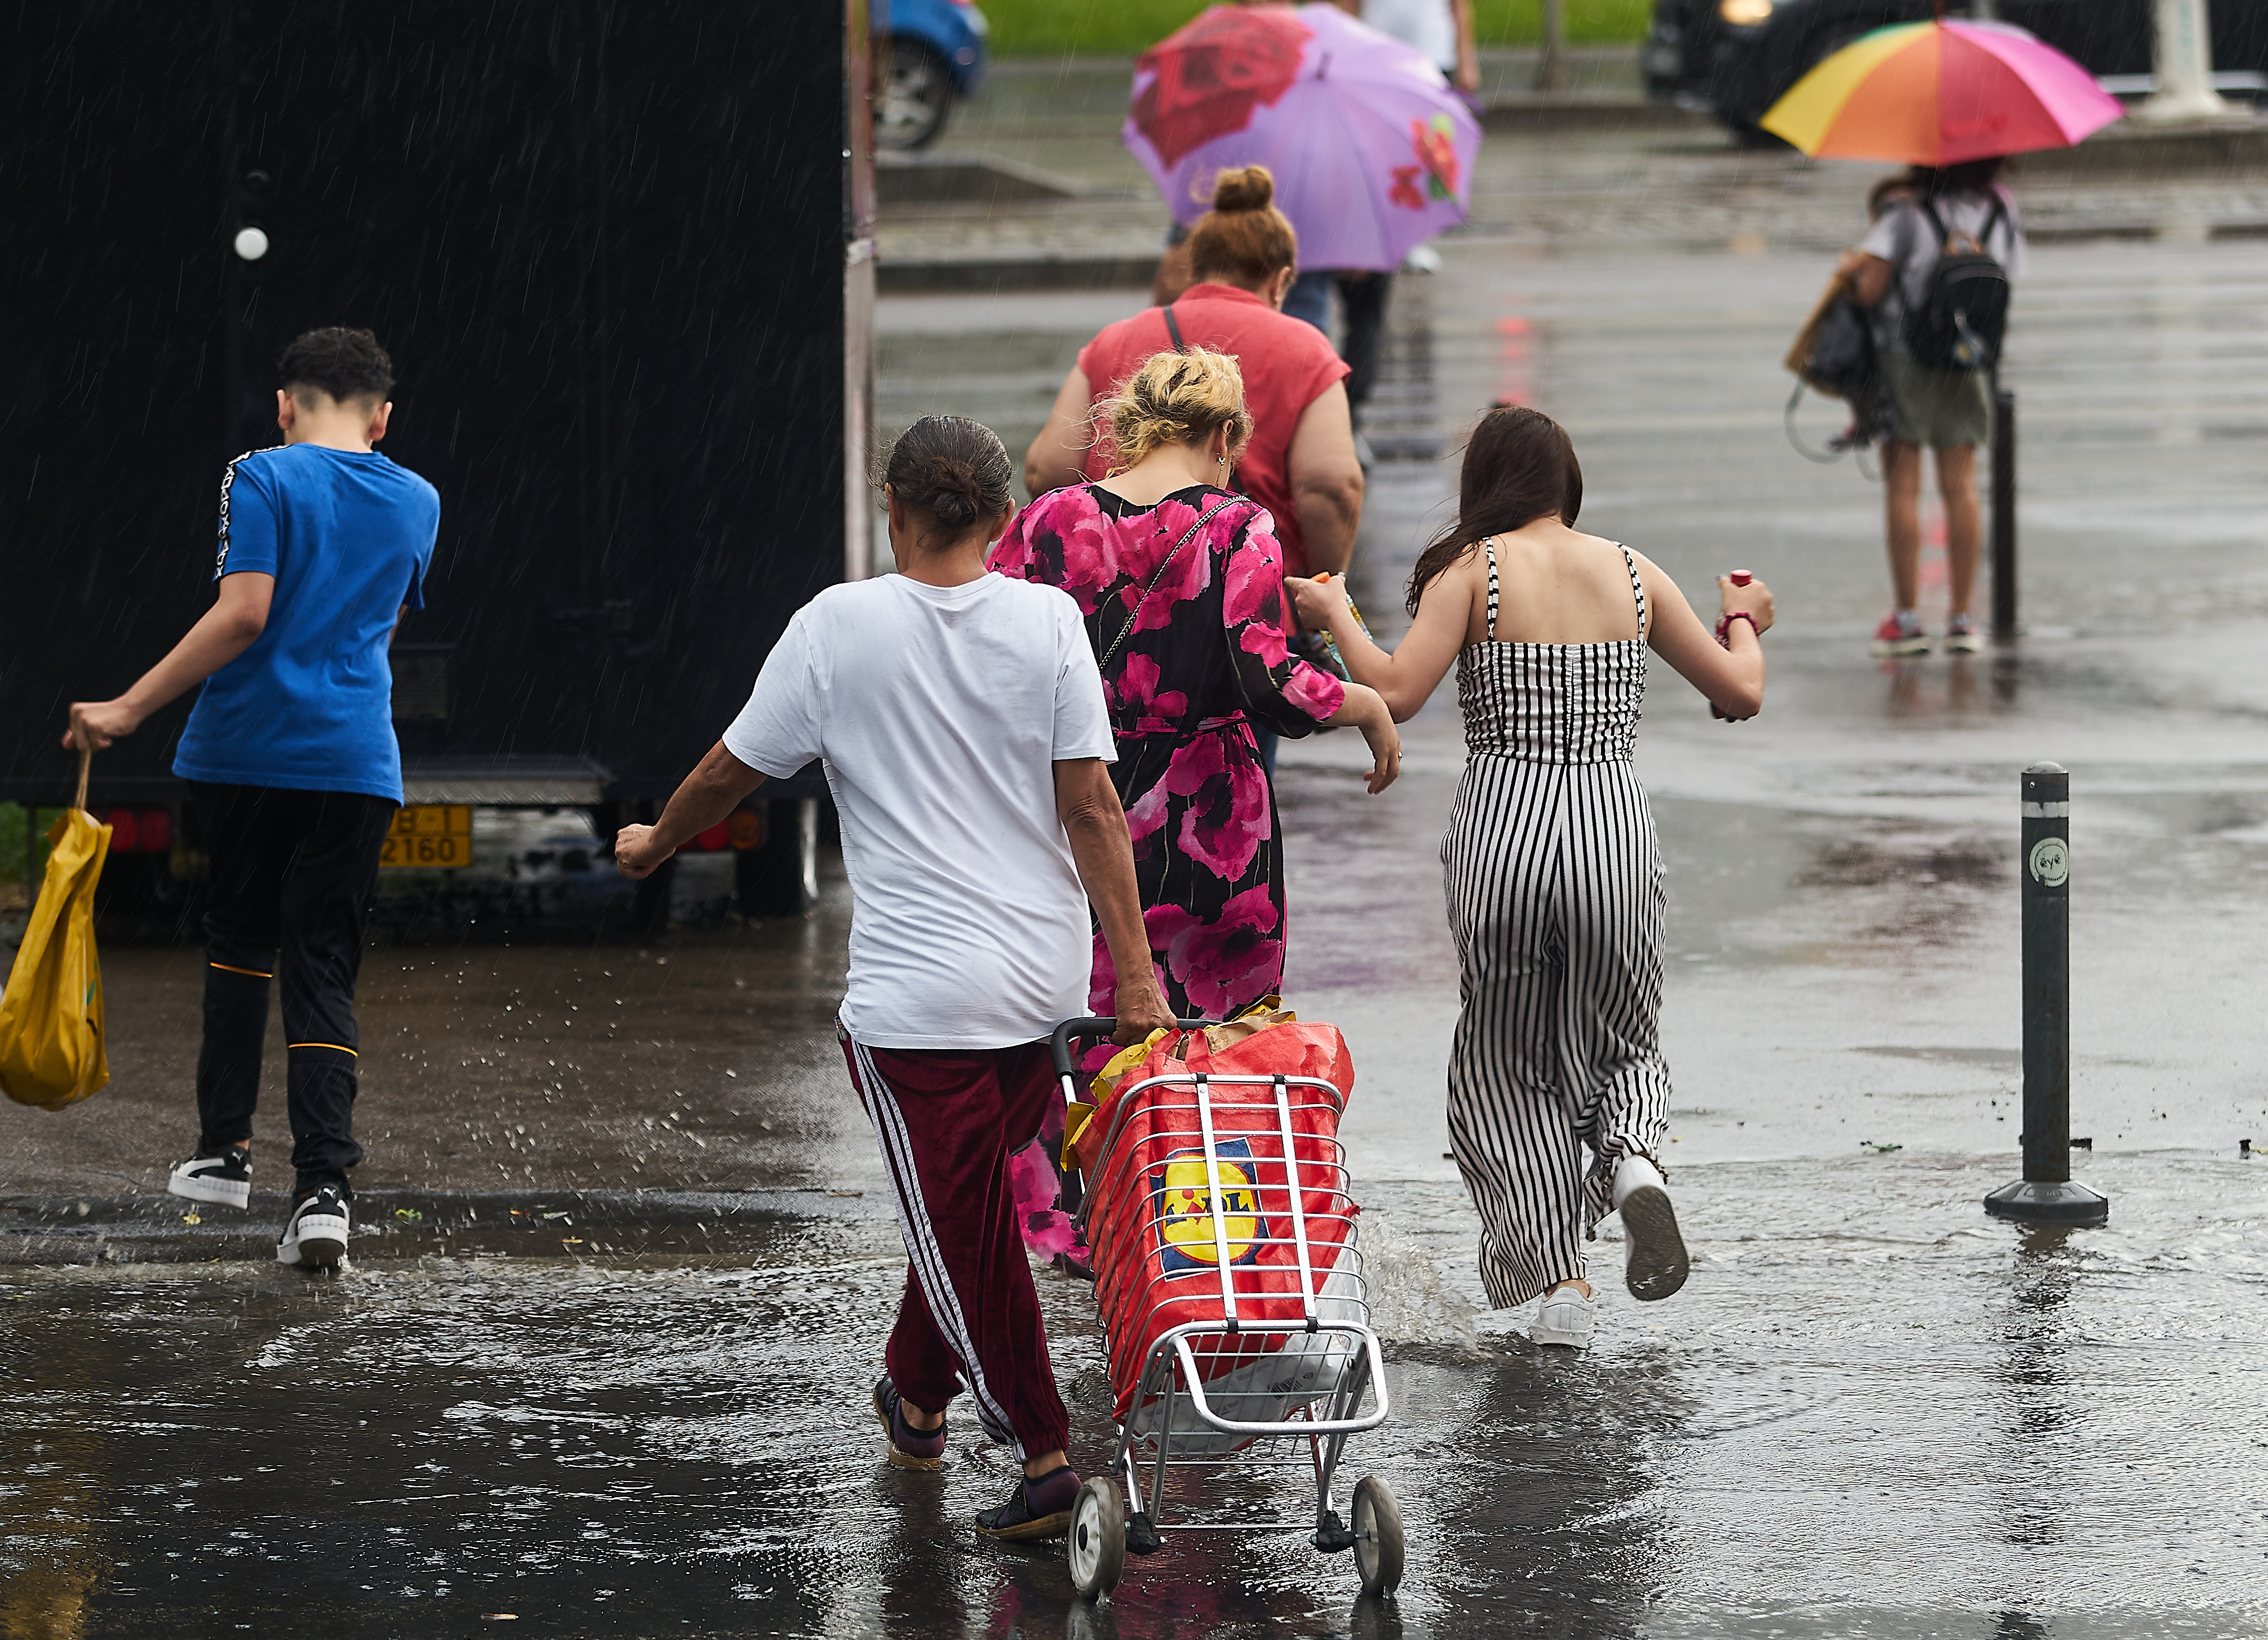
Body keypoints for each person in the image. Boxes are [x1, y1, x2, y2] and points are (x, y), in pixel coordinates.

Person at [611, 416, 1173, 1542]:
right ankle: (915, 1398)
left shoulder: (836, 625)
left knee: (967, 1230)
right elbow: (1093, 809)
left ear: (893, 510)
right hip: (1043, 994)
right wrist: (1138, 981)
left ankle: (1044, 1461)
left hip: (917, 1009)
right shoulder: (1049, 620)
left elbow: (730, 768)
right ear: (1005, 517)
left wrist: (656, 840)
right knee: (965, 1216)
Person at [1289, 406, 1774, 1351]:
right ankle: (1632, 1165)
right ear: (1567, 483)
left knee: (1507, 1064)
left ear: (1485, 484)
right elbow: (1739, 690)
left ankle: (1559, 1285)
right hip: (1610, 833)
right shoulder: (1633, 573)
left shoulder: (1473, 572)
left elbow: (1395, 691)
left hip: (1503, 830)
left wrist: (1332, 611)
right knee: (1620, 1036)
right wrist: (1744, 621)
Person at [63, 327, 438, 1272]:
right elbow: (384, 624)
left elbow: (244, 613)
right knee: (322, 966)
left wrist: (128, 707)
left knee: (239, 943)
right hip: (355, 763)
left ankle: (223, 1152)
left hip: (244, 754)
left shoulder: (259, 475)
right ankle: (323, 1192)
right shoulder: (419, 498)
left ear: (283, 405)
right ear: (383, 418)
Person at [993, 346, 1400, 1035]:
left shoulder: (1046, 521)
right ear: (1223, 435)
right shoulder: (1238, 527)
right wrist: (1362, 702)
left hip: (1072, 800)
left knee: (1081, 1013)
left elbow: (990, 648)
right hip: (1204, 823)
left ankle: (1088, 1109)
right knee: (1208, 1041)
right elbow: (1266, 681)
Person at [1029, 166, 1363, 587]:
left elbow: (1048, 471)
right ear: (1280, 282)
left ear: (1192, 271)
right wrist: (1323, 583)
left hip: (1110, 591)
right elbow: (1331, 488)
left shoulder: (1114, 340)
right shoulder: (1306, 350)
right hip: (1242, 590)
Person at [1839, 157, 2027, 659]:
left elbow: (1871, 290)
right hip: (1969, 358)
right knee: (1961, 486)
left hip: (1905, 357)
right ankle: (1962, 620)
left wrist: (1851, 271)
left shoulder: (1903, 214)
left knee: (1904, 486)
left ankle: (1907, 620)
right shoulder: (2001, 209)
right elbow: (2008, 276)